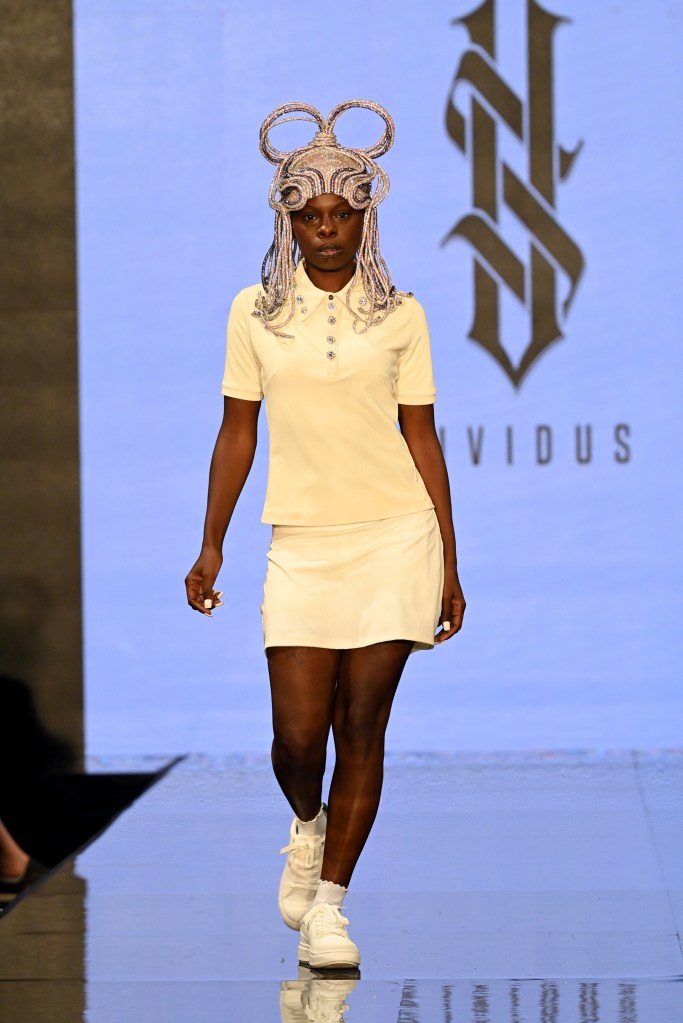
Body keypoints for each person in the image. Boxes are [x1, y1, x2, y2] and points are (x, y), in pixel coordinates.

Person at [185, 100, 465, 971]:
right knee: (298, 734)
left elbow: (422, 435)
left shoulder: (403, 314)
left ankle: (332, 908)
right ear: (287, 218)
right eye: (309, 215)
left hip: (394, 535)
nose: (326, 229)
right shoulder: (255, 312)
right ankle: (305, 827)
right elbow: (238, 430)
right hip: (301, 540)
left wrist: (449, 561)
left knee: (361, 725)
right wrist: (211, 543)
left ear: (365, 214)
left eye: (341, 214)